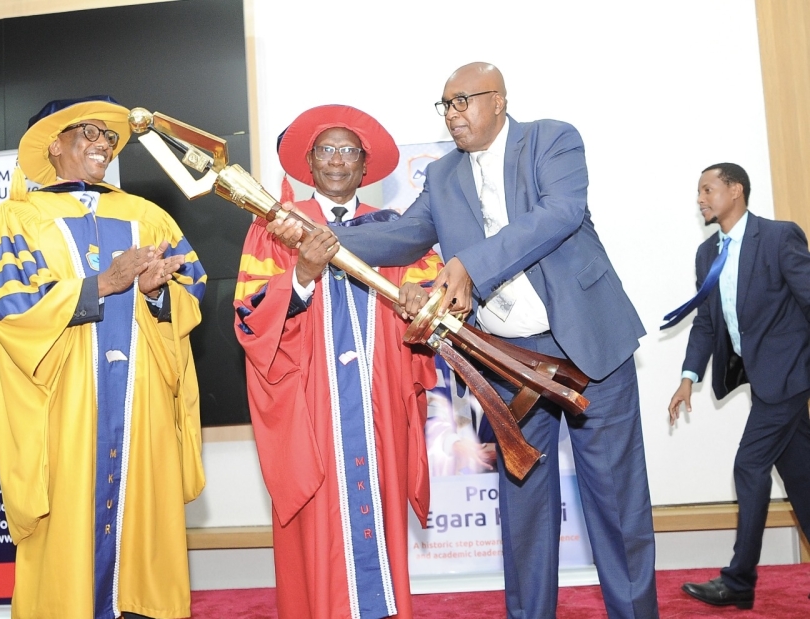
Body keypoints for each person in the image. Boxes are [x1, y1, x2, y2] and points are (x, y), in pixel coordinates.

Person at [272, 63, 658, 618]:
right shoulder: (445, 175)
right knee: (525, 513)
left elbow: (559, 214)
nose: (453, 114)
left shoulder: (551, 140)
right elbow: (405, 234)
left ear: (498, 101)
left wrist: (470, 266)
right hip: (508, 361)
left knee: (617, 509)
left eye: (463, 101)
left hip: (590, 348)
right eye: (445, 105)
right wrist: (327, 238)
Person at [0, 95, 206, 619]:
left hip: (141, 403)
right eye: (87, 132)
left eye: (108, 135)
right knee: (66, 527)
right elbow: (11, 307)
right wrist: (104, 283)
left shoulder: (148, 216)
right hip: (65, 404)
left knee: (143, 530)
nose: (103, 143)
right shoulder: (20, 217)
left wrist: (154, 292)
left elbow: (191, 292)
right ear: (54, 143)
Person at [234, 104, 440, 619]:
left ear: (365, 167)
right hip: (314, 406)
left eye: (350, 151)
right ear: (309, 161)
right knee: (318, 529)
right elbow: (248, 315)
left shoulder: (397, 230)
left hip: (378, 407)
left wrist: (421, 297)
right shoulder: (277, 229)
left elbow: (437, 294)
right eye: (326, 150)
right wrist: (301, 274)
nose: (337, 161)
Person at [666, 163, 810, 609]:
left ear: (736, 190)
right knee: (803, 480)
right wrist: (688, 377)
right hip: (762, 379)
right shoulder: (708, 254)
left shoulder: (778, 236)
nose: (700, 199)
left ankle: (739, 580)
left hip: (788, 375)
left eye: (707, 189)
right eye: (699, 191)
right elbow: (707, 324)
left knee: (748, 467)